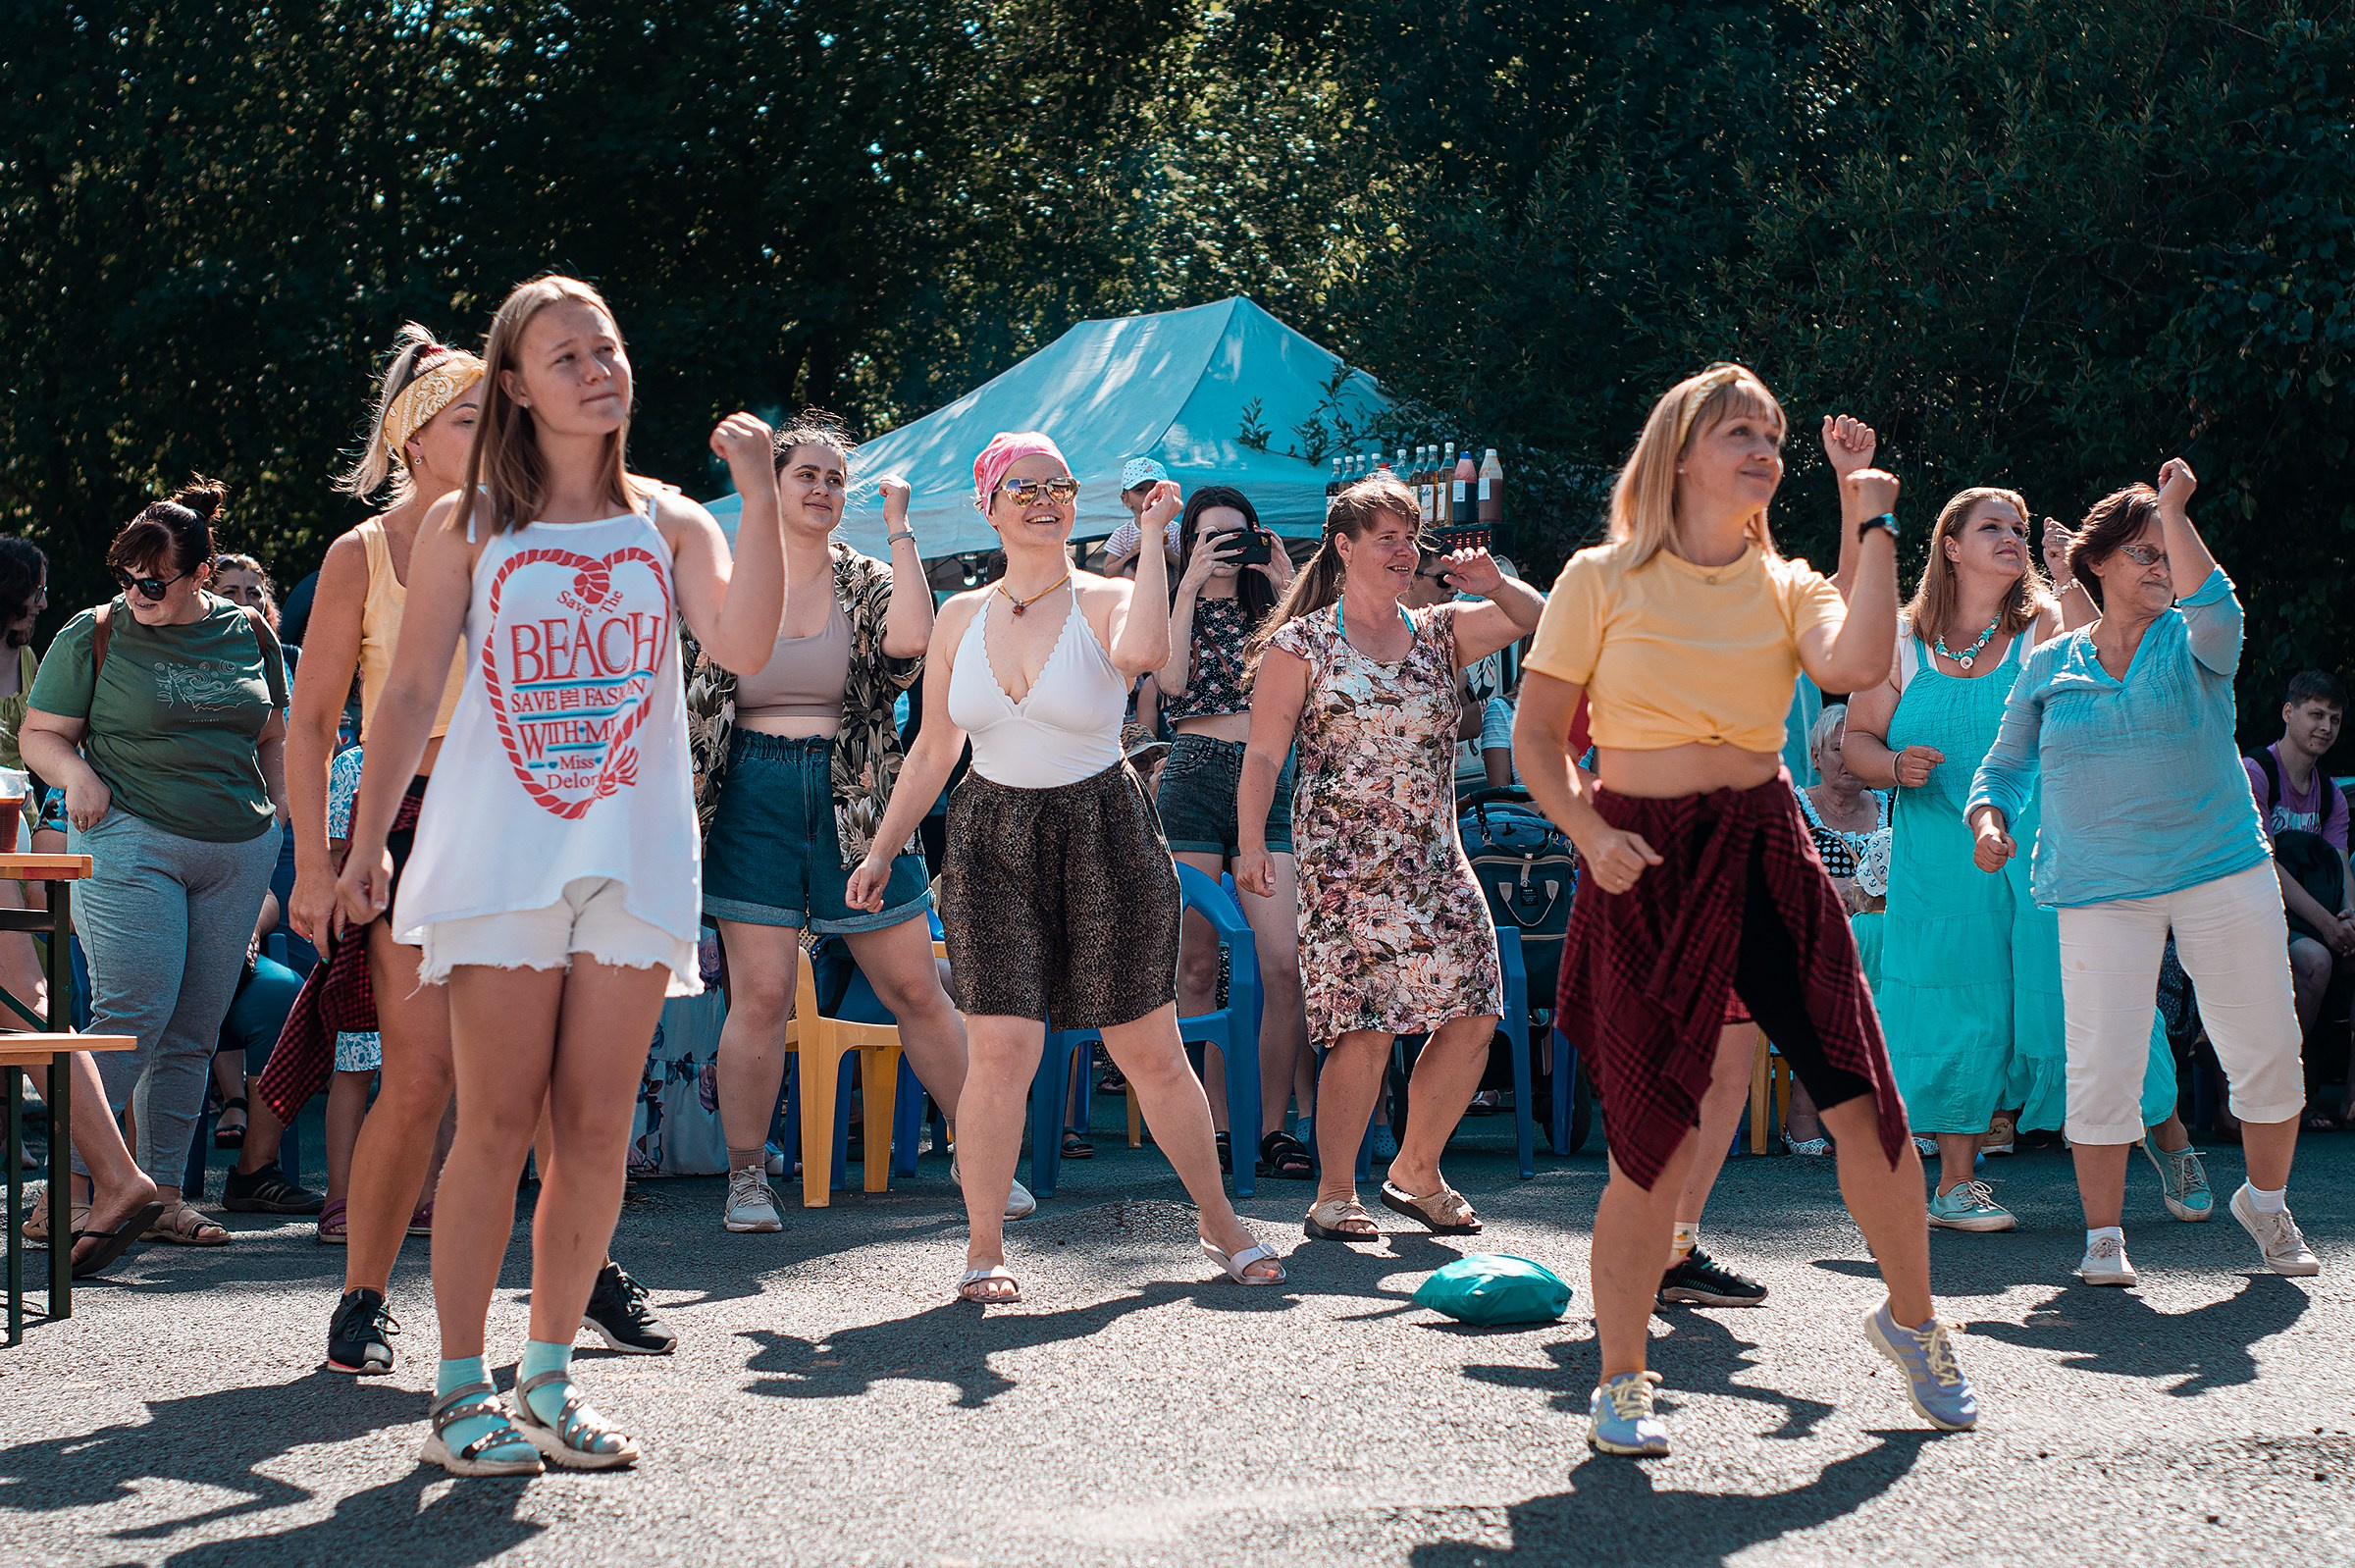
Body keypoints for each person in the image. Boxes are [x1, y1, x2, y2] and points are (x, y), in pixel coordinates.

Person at [338, 276, 786, 1476]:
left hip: (632, 852)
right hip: (501, 852)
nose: (597, 367)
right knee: (491, 1117)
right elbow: (414, 690)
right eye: (564, 355)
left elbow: (743, 646)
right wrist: (368, 840)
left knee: (594, 1128)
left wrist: (755, 501)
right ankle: (455, 1393)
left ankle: (547, 1382)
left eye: (608, 346)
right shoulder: (467, 523)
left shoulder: (675, 520)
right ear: (516, 386)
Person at [1514, 364, 1977, 1456]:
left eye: (1772, 435)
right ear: (1681, 451)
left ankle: (1913, 1321)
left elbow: (1860, 660)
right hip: (1643, 846)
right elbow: (1539, 740)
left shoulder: (1793, 580)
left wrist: (1874, 513)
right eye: (1741, 432)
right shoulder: (1599, 574)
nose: (1765, 449)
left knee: (1864, 1096)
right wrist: (1588, 831)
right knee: (1651, 1131)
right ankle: (1623, 1375)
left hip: (1765, 836)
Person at [845, 432, 1284, 1303]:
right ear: (989, 505)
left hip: (1104, 828)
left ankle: (1219, 1220)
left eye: (1060, 486)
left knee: (1148, 1047)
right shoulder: (963, 615)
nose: (1046, 499)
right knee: (1003, 1046)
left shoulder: (1109, 596)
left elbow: (1149, 655)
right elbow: (935, 745)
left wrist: (1158, 540)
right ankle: (983, 1247)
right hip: (988, 836)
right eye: (1025, 487)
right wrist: (884, 846)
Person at [1969, 459, 2319, 1287]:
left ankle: (2266, 1206)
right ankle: (2102, 1238)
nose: (2161, 568)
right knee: (2102, 1066)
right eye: (2143, 554)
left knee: (2266, 1051)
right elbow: (2005, 769)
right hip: (2098, 889)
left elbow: (2218, 601)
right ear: (2096, 563)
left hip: (2222, 874)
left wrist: (2171, 512)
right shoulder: (2049, 664)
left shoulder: (2200, 642)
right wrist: (1989, 820)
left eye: (2168, 553)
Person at [692, 414, 1033, 1231]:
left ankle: (982, 1162)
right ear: (770, 487)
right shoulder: (727, 576)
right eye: (806, 475)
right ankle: (747, 1181)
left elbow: (913, 639)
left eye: (835, 479)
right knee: (763, 995)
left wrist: (900, 527)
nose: (823, 490)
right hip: (752, 794)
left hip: (857, 797)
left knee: (916, 985)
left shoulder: (868, 576)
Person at [1235, 474, 1543, 1241]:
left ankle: (1415, 1170)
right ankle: (1335, 1193)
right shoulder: (1301, 644)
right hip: (1345, 864)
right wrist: (1249, 844)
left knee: (1476, 1009)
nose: (1406, 552)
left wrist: (1494, 583)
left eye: (1412, 538)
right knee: (1365, 1025)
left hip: (1436, 855)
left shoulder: (1441, 630)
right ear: (1344, 547)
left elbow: (1543, 621)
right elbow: (1264, 756)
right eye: (1388, 539)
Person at [20, 480, 289, 1251]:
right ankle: (73, 1192)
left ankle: (162, 1195)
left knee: (195, 1030)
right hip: (130, 837)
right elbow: (41, 733)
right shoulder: (94, 630)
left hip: (236, 848)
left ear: (201, 574)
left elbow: (274, 732)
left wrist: (276, 814)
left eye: (153, 579)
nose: (136, 590)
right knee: (130, 1018)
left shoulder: (252, 634)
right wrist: (76, 776)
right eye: (127, 575)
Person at [1155, 486, 1314, 1180]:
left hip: (1270, 777)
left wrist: (1286, 584)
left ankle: (1275, 1128)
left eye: (1234, 535)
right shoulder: (1169, 604)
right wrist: (1187, 584)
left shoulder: (1278, 613)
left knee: (1282, 964)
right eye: (1207, 536)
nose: (1222, 548)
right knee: (1195, 964)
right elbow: (1169, 681)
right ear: (1187, 542)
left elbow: (1322, 677)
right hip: (1192, 773)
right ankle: (1215, 1127)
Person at [2243, 670, 2354, 1126]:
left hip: (2315, 918)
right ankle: (2287, 1094)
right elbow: (2264, 863)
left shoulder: (2330, 795)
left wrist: (2347, 917)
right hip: (2257, 918)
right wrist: (2329, 927)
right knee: (2314, 960)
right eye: (2315, 714)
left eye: (2335, 718)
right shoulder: (2256, 773)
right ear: (2289, 713)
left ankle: (2350, 1100)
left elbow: (2341, 863)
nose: (2325, 727)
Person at [1783, 705, 1890, 1154]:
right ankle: (1803, 1116)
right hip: (1808, 928)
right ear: (1814, 755)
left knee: (1909, 965)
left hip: (1882, 930)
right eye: (1836, 750)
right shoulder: (1793, 806)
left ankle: (1904, 1113)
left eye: (1857, 750)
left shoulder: (1891, 804)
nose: (1849, 762)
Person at [1101, 457, 1180, 574]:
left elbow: (1189, 568)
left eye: (1155, 489)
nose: (1149, 495)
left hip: (1170, 591)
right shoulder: (1123, 534)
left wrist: (1170, 554)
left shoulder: (1174, 531)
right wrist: (1131, 553)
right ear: (1126, 500)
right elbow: (1109, 572)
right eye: (1140, 490)